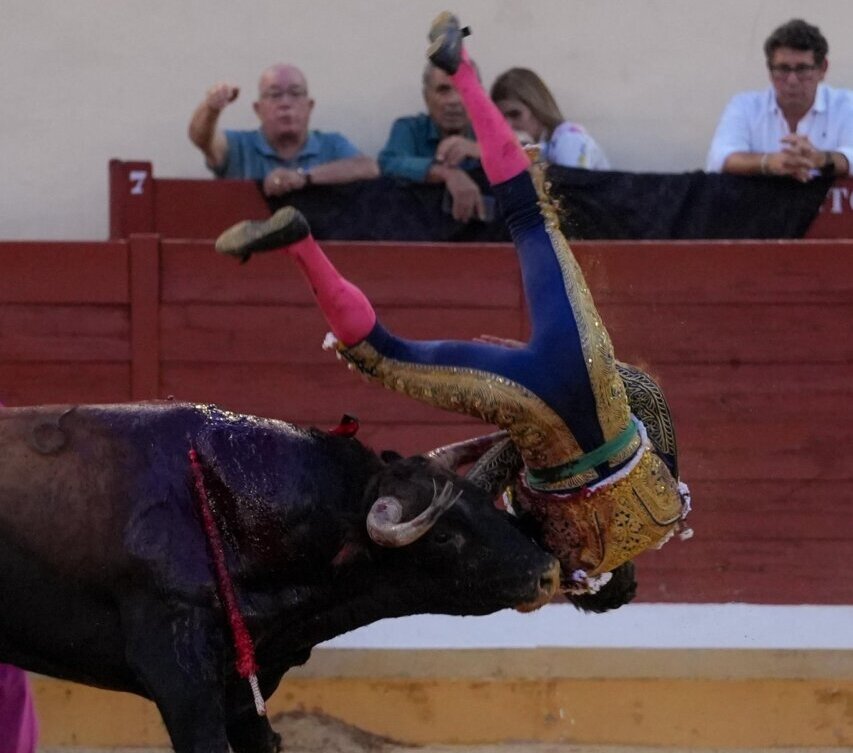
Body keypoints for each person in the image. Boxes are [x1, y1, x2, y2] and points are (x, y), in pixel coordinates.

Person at [214, 12, 690, 611]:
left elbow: (644, 391)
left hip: (586, 361)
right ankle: (301, 244)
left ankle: (461, 69)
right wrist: (467, 471)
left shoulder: (664, 506)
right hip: (526, 399)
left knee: (529, 212)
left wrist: (589, 397)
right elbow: (494, 491)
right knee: (385, 357)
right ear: (584, 584)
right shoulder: (554, 562)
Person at [188, 63, 378, 197]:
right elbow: (201, 139)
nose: (285, 103)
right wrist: (211, 108)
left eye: (295, 94)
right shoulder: (239, 145)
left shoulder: (331, 144)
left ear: (309, 106)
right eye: (275, 95)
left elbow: (368, 167)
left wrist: (303, 177)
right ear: (257, 108)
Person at [706, 18, 853, 181]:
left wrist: (820, 160)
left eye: (802, 69)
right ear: (769, 71)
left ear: (822, 69)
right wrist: (768, 162)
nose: (792, 80)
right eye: (783, 69)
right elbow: (720, 158)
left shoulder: (847, 105)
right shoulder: (745, 106)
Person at [378, 61, 487, 223]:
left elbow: (527, 160)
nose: (454, 100)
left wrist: (480, 150)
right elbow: (388, 162)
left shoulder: (490, 133)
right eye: (443, 90)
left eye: (464, 89)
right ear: (426, 97)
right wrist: (447, 173)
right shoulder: (410, 129)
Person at [491, 67, 610, 170]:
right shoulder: (541, 143)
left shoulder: (568, 139)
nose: (508, 125)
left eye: (515, 114)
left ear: (536, 107)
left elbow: (569, 191)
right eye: (501, 118)